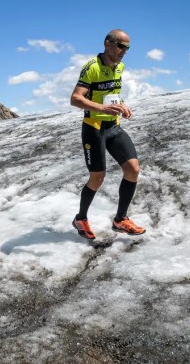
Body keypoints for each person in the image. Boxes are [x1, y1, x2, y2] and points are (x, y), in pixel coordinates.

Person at [69, 29, 145, 240]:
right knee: (98, 177)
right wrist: (101, 110)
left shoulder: (120, 67)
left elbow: (111, 94)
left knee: (133, 169)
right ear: (108, 44)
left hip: (113, 127)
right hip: (94, 128)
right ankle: (80, 218)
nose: (124, 51)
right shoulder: (92, 67)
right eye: (121, 46)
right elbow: (75, 99)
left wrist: (121, 104)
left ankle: (120, 219)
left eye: (127, 48)